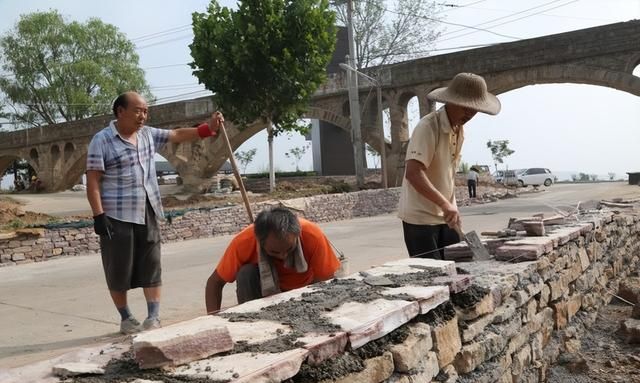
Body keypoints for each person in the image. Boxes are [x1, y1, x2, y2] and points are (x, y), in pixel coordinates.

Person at [86, 91, 224, 334]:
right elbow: (94, 181)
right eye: (138, 110)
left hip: (147, 209)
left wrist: (207, 129)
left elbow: (177, 135)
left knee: (152, 264)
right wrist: (98, 215)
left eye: (146, 111)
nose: (143, 116)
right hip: (116, 216)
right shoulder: (102, 140)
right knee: (118, 268)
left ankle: (153, 317)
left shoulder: (148, 134)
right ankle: (126, 318)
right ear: (121, 111)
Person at [398, 73, 501, 259]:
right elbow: (413, 173)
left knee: (458, 269)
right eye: (466, 107)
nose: (470, 114)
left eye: (475, 109)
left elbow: (446, 175)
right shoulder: (428, 127)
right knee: (433, 278)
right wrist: (445, 204)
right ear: (451, 101)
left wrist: (451, 206)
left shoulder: (459, 130)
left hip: (447, 217)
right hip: (421, 219)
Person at [205, 207, 341, 313]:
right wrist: (212, 321)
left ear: (297, 236)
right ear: (260, 241)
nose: (283, 256)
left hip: (304, 290)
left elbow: (325, 282)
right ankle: (253, 321)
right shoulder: (244, 241)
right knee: (246, 274)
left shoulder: (311, 234)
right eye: (274, 252)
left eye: (289, 249)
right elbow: (214, 283)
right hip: (265, 294)